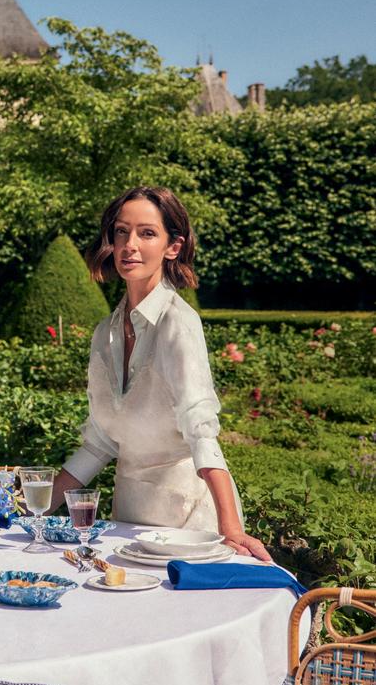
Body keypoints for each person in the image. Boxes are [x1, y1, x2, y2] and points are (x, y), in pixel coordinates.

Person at [50, 186, 270, 561]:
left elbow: (201, 431)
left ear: (173, 246)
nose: (129, 245)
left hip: (188, 525)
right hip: (127, 524)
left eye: (147, 233)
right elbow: (101, 442)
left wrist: (231, 530)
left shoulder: (178, 323)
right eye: (121, 232)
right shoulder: (104, 332)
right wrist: (28, 508)